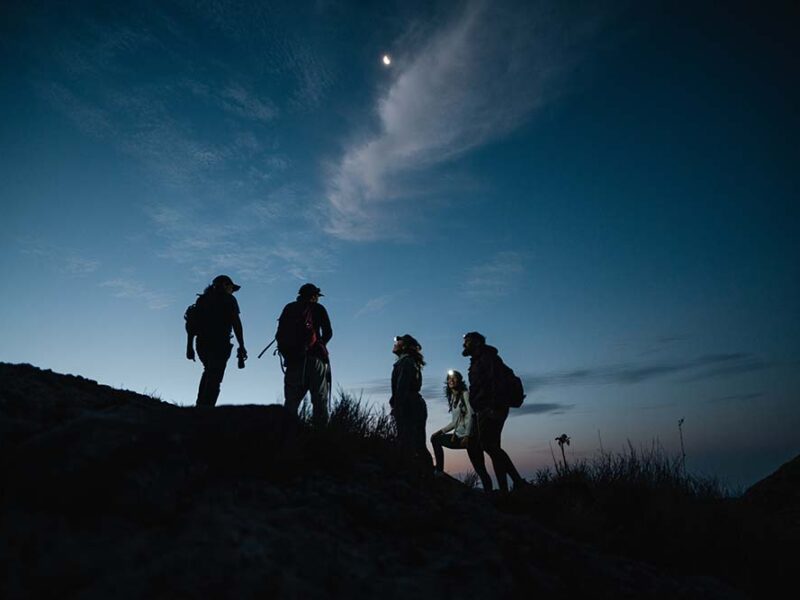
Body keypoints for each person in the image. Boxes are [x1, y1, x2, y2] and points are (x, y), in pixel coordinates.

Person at [462, 331, 525, 493]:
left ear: (476, 343)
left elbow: (496, 384)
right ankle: (505, 489)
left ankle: (517, 483)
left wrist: (491, 408)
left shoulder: (488, 359)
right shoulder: (478, 361)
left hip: (491, 408)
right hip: (485, 409)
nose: (464, 344)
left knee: (490, 446)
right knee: (492, 447)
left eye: (467, 341)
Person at [186, 274, 247, 407]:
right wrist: (242, 345)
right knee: (214, 377)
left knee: (208, 371)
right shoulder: (229, 299)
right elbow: (236, 323)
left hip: (201, 343)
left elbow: (191, 325)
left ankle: (200, 406)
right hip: (220, 343)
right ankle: (206, 410)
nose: (232, 291)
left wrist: (189, 347)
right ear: (225, 285)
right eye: (231, 287)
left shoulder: (202, 300)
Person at [276, 283, 332, 427]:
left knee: (291, 401)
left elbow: (279, 334)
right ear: (314, 296)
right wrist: (319, 345)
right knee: (319, 400)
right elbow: (328, 332)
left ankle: (287, 435)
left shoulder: (289, 308)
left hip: (294, 360)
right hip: (315, 359)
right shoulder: (318, 308)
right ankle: (320, 436)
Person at [430, 370, 493, 490]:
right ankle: (439, 471)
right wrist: (441, 431)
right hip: (458, 437)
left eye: (454, 378)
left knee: (480, 468)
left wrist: (467, 436)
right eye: (449, 378)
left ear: (459, 381)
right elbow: (455, 422)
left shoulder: (465, 394)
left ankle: (490, 494)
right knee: (436, 439)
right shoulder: (454, 398)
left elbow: (471, 416)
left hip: (470, 438)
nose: (451, 380)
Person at [390, 334, 433, 473]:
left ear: (405, 346)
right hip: (414, 404)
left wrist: (397, 406)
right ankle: (425, 474)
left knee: (410, 442)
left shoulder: (406, 362)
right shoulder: (408, 362)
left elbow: (402, 388)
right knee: (416, 442)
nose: (395, 342)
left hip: (410, 405)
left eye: (398, 340)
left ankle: (419, 475)